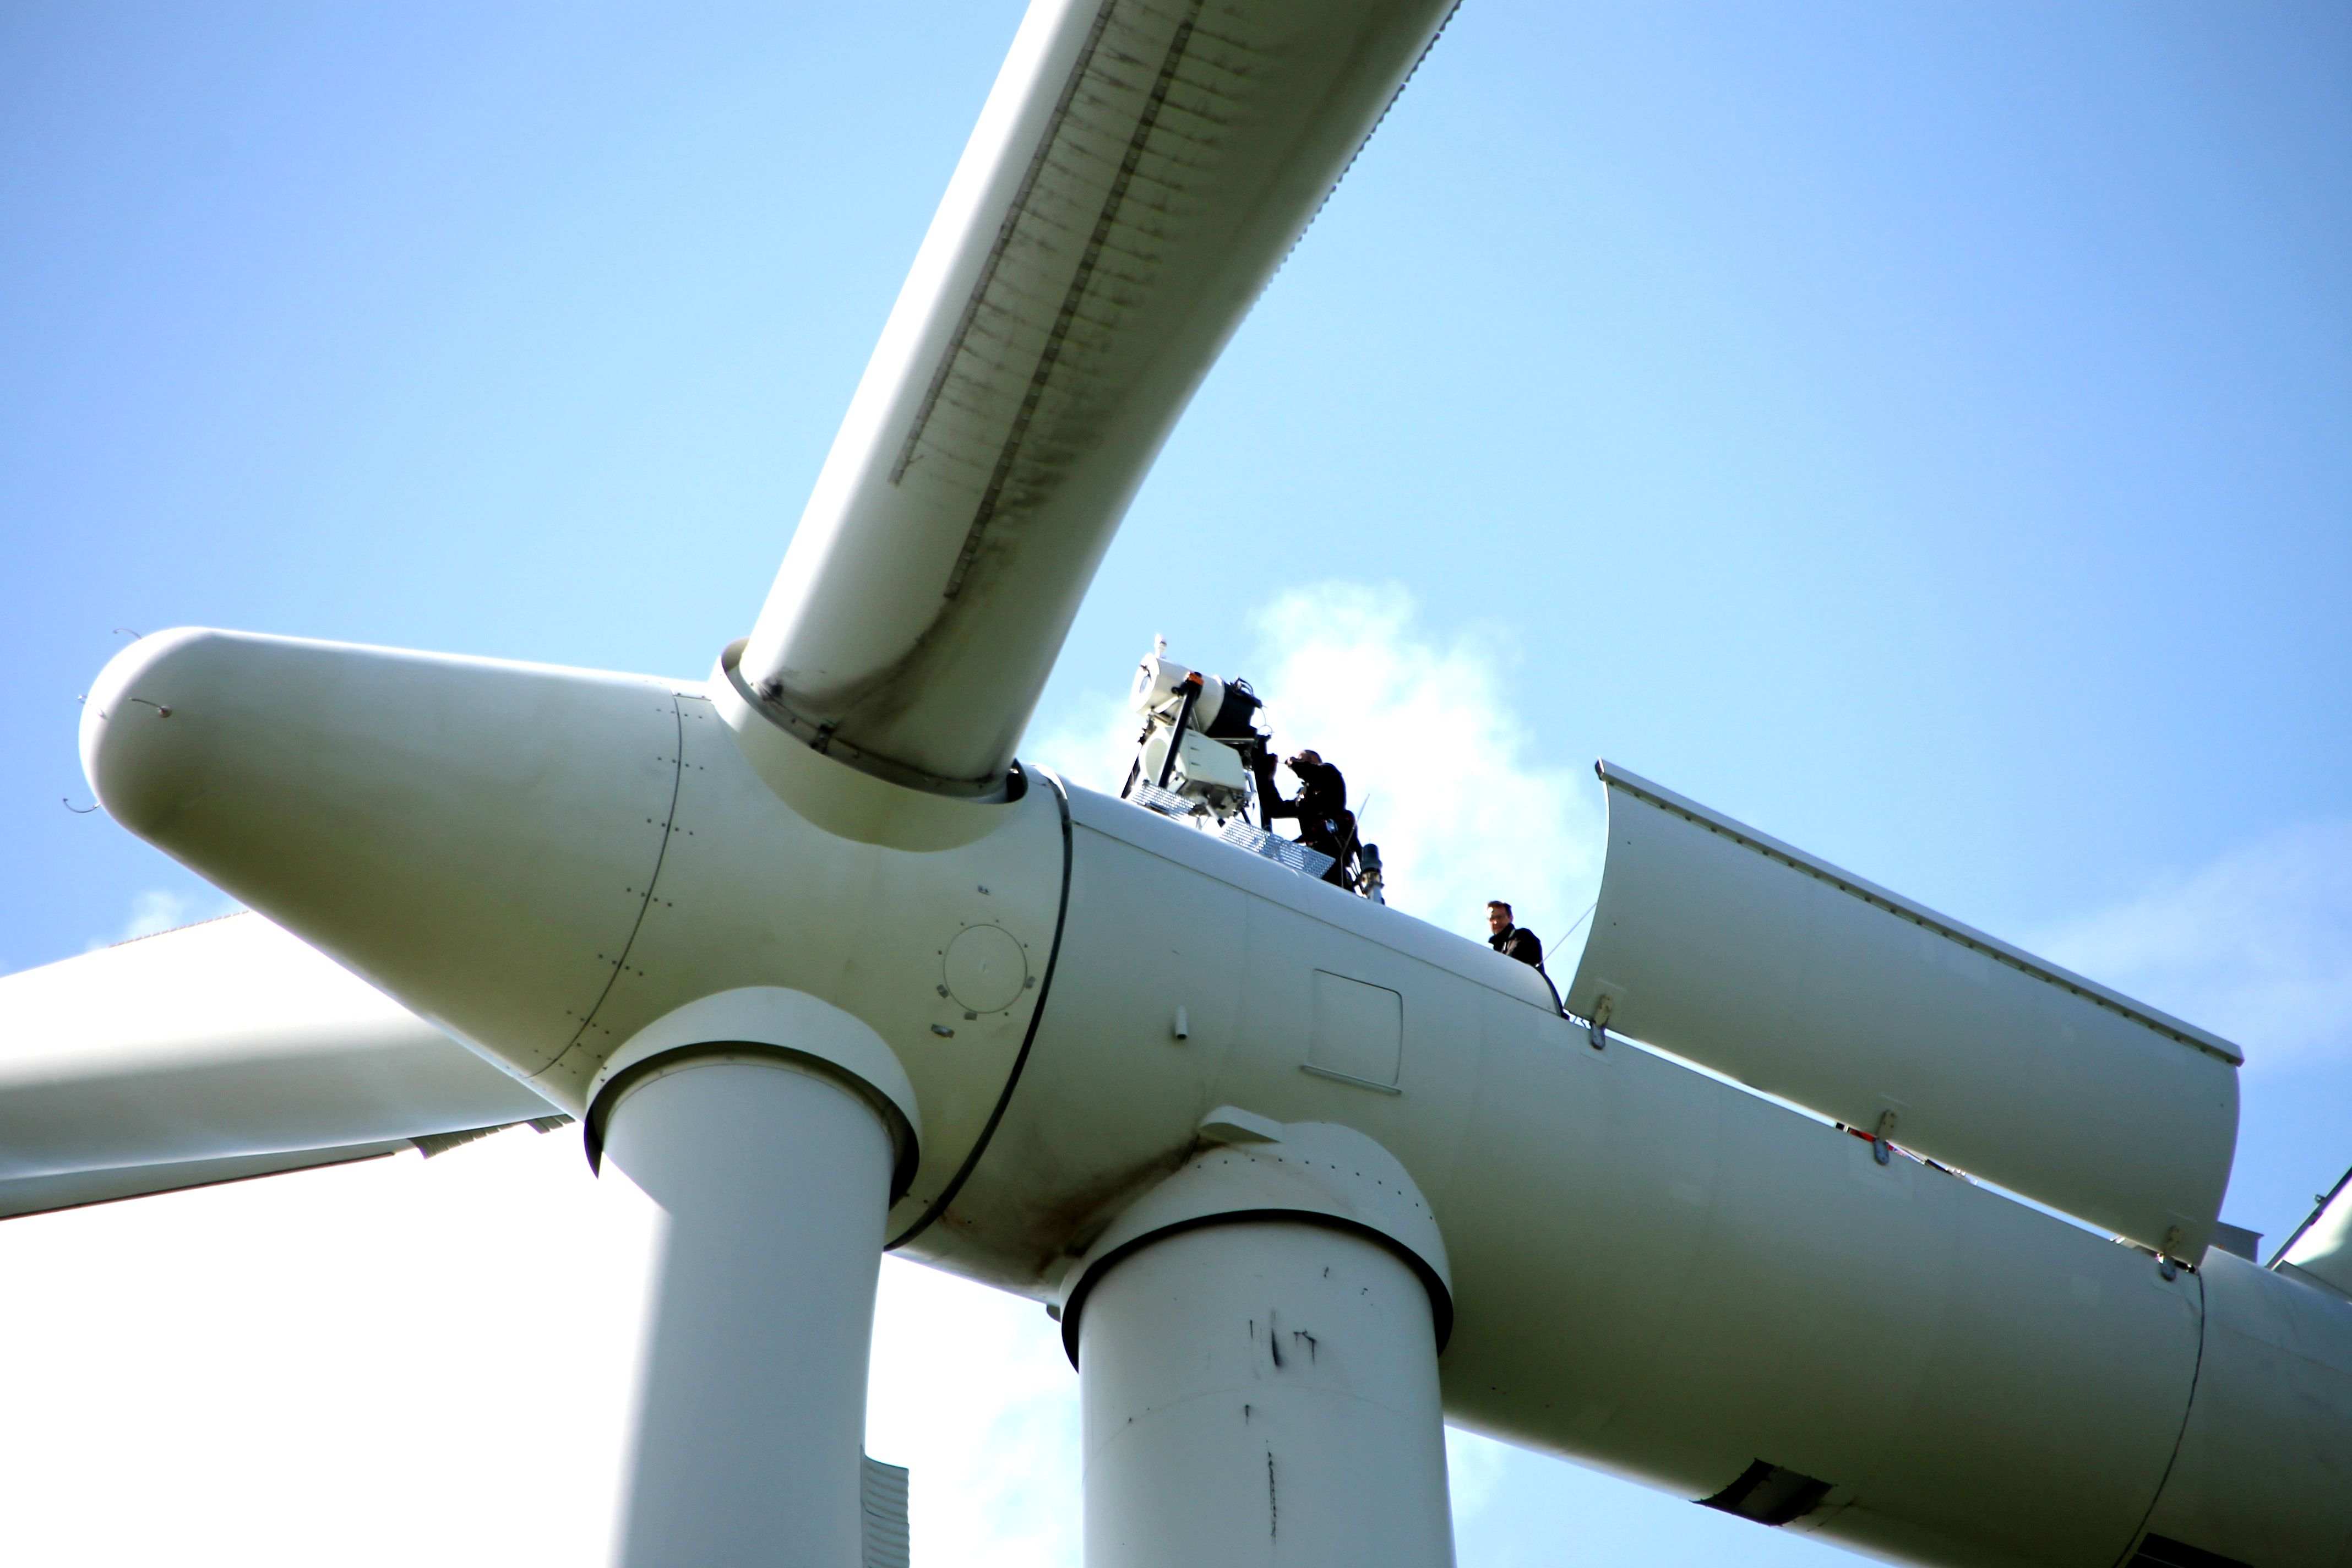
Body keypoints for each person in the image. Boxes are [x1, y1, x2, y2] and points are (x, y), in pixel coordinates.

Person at [1266, 749, 1354, 887]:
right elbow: (1276, 809)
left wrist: (1293, 762)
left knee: (1336, 888)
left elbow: (1312, 773)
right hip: (1315, 858)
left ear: (1313, 758)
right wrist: (1269, 779)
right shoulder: (1306, 800)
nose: (1299, 761)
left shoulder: (1329, 774)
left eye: (1302, 759)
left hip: (1333, 852)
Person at [1487, 901, 1542, 968]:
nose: (1495, 922)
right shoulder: (1494, 953)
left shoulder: (1522, 936)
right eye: (1492, 919)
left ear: (1511, 918)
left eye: (1500, 917)